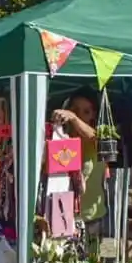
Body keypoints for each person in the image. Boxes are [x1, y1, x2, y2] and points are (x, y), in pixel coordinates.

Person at [50, 89, 107, 229]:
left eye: (86, 112)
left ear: (93, 114)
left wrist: (74, 118)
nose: (80, 115)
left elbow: (96, 138)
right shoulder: (61, 137)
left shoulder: (98, 136)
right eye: (75, 110)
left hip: (90, 217)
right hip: (63, 215)